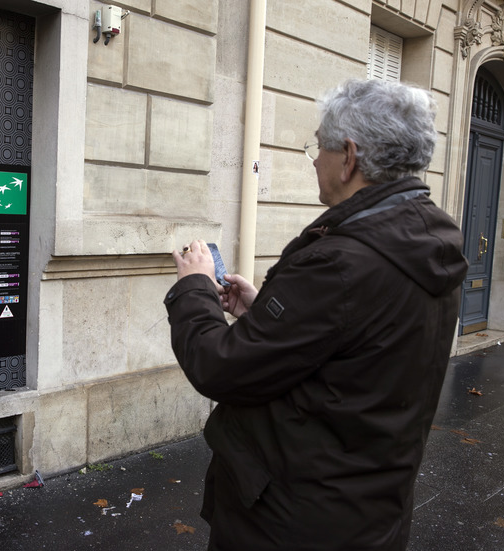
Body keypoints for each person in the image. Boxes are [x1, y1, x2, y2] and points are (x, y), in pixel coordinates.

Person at [164, 79, 469, 550]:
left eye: (318, 147)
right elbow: (349, 356)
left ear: (348, 157)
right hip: (367, 509)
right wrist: (259, 315)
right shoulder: (426, 242)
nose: (314, 160)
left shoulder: (341, 261)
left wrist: (194, 288)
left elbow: (219, 367)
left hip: (291, 519)